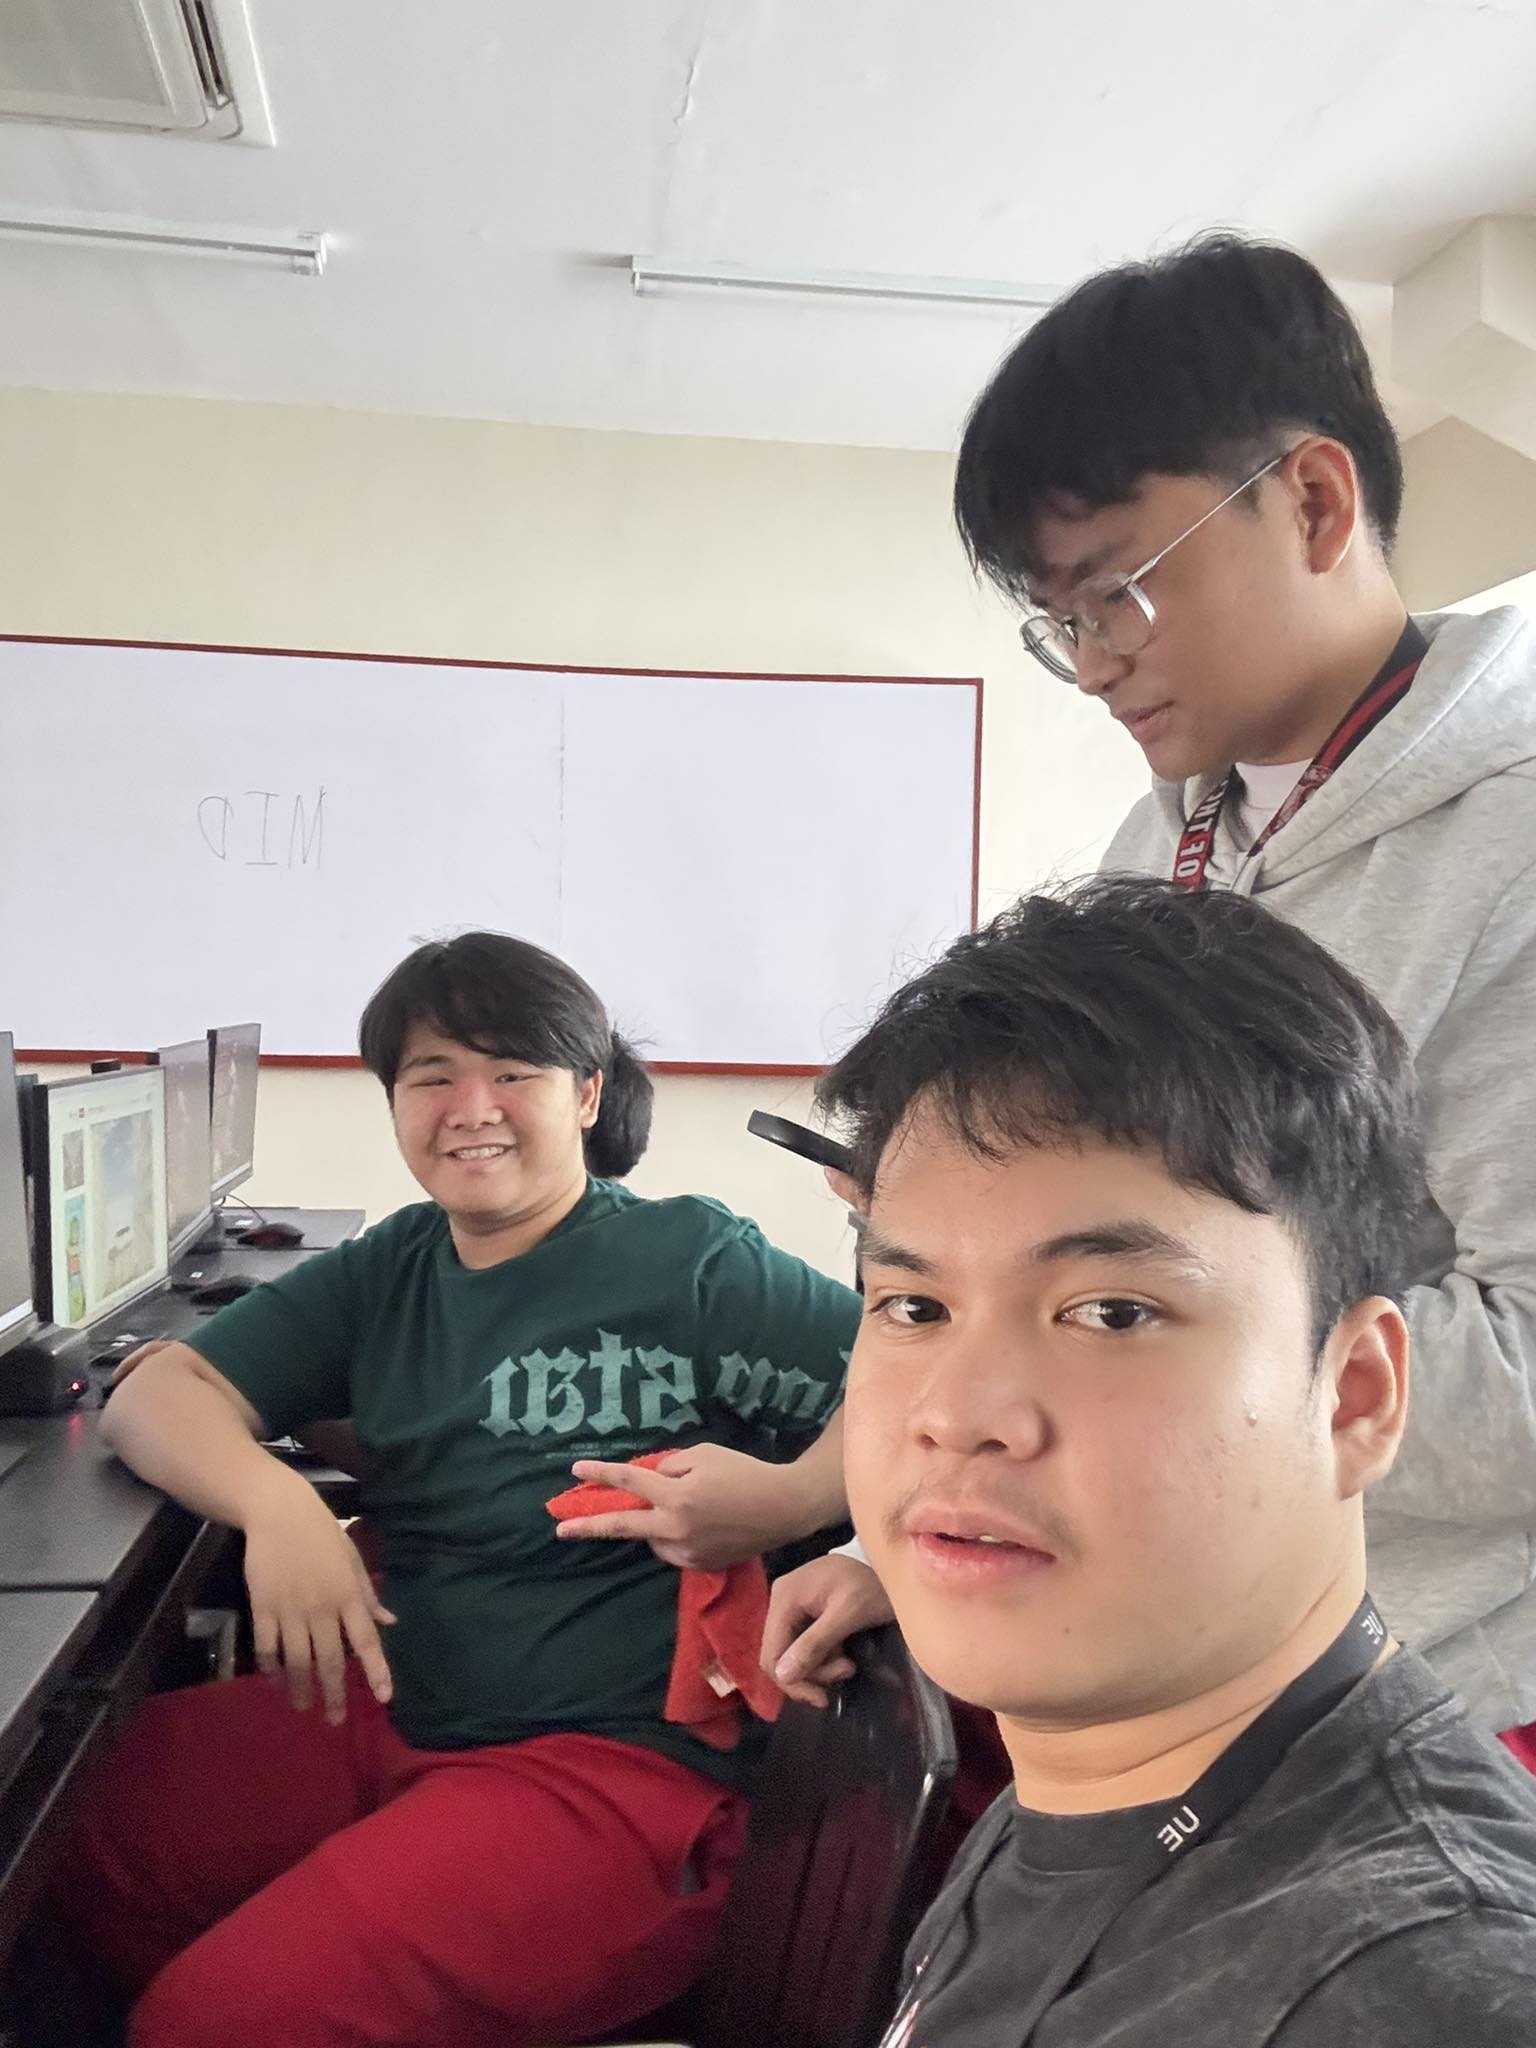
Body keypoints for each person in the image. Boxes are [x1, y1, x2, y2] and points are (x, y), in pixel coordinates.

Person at [767, 234, 1536, 1743]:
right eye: (1060, 622)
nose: (1095, 662)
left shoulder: (1509, 848)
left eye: (1118, 590)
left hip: (1424, 1697)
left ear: (1314, 502)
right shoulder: (1164, 839)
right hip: (1166, 1653)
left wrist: (1159, 1334)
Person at [40, 932, 860, 2048]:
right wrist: (279, 1506)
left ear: (586, 1095)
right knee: (68, 1837)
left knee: (219, 2021)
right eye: (432, 1076)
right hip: (408, 1696)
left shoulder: (690, 1262)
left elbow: (920, 1388)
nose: (471, 1107)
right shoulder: (397, 1265)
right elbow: (155, 1392)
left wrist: (790, 1497)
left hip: (620, 1767)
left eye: (512, 1072)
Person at [830, 876, 1536, 2046]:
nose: (956, 1413)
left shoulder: (1427, 1988)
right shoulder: (1090, 1780)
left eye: (1111, 1311)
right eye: (913, 1305)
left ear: (1356, 1393)